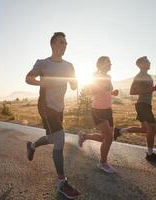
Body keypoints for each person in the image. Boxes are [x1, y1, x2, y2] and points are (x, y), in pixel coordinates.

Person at [25, 32, 80, 199]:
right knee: (60, 137)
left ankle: (32, 146)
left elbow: (72, 86)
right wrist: (42, 82)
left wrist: (74, 82)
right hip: (46, 106)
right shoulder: (42, 63)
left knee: (51, 138)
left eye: (65, 43)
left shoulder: (69, 65)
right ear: (53, 44)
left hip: (59, 107)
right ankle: (62, 182)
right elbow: (28, 78)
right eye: (61, 43)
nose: (64, 46)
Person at [114, 56, 156, 164]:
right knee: (152, 128)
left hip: (146, 104)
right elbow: (132, 91)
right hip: (142, 105)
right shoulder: (139, 76)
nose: (149, 62)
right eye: (147, 61)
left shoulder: (147, 76)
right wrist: (152, 89)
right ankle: (150, 154)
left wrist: (154, 89)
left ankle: (119, 131)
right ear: (141, 64)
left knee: (145, 129)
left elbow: (146, 90)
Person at [78, 56, 119, 173]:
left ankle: (84, 136)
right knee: (109, 137)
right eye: (108, 62)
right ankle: (102, 163)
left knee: (105, 137)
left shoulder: (108, 77)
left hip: (107, 109)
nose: (111, 64)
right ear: (102, 65)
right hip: (98, 109)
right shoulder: (96, 77)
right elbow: (91, 91)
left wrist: (113, 92)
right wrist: (102, 88)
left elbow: (107, 91)